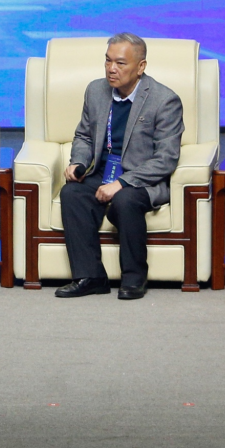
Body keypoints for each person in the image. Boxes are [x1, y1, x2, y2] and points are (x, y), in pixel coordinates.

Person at [55, 33, 183, 299]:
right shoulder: (95, 91)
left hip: (141, 180)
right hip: (103, 172)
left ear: (141, 67)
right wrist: (78, 162)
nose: (111, 69)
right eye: (108, 61)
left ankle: (134, 279)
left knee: (125, 201)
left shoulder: (164, 100)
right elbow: (84, 136)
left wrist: (122, 183)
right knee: (72, 193)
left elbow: (166, 158)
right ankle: (90, 277)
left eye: (120, 63)